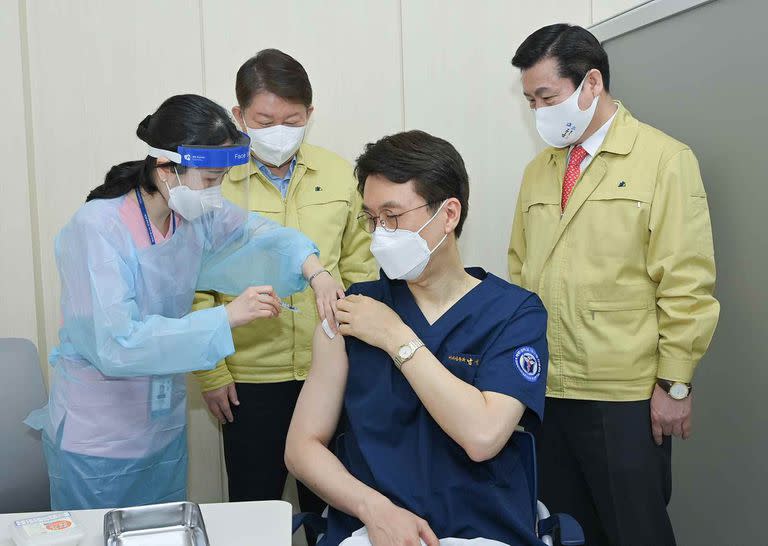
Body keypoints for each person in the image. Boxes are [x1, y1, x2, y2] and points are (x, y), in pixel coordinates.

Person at [25, 94, 330, 510]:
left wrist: (314, 268)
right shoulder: (96, 228)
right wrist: (225, 317)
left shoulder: (192, 217)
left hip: (161, 428)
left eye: (221, 179)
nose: (215, 192)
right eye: (208, 181)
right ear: (166, 168)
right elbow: (117, 343)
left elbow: (256, 236)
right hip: (98, 441)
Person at [507, 24, 720, 546]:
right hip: (548, 388)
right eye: (530, 100)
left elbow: (687, 284)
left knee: (636, 530)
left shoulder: (665, 160)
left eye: (546, 96)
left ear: (592, 83)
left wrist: (675, 384)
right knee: (564, 531)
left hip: (623, 395)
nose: (537, 110)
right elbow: (519, 268)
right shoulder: (539, 171)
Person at [285, 130, 549, 545]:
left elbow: (482, 436)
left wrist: (396, 337)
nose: (380, 234)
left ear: (448, 214)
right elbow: (302, 447)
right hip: (372, 529)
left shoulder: (514, 314)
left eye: (393, 216)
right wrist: (375, 509)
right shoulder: (352, 310)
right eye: (372, 218)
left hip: (482, 532)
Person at [193, 49, 376, 517]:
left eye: (292, 120)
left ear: (310, 115)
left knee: (332, 511)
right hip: (250, 379)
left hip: (331, 369)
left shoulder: (340, 173)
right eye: (265, 119)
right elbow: (196, 288)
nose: (279, 131)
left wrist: (363, 356)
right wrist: (213, 373)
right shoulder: (214, 182)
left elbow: (362, 269)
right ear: (239, 116)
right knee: (255, 513)